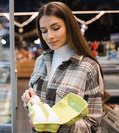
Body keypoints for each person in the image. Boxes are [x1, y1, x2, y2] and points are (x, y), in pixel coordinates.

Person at [21, 2, 104, 133]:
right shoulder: (40, 61)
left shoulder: (88, 68)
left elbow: (93, 124)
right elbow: (35, 109)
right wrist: (29, 102)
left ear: (69, 27)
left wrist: (55, 125)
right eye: (44, 31)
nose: (49, 36)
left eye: (56, 28)